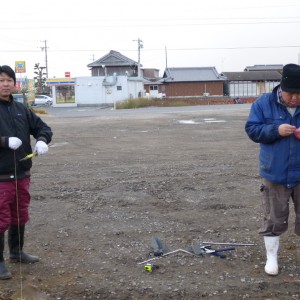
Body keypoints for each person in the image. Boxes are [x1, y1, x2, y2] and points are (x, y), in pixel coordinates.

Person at [245, 63, 300, 276]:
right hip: (274, 172)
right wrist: (275, 130)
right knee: (273, 218)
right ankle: (272, 258)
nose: (294, 98)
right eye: (290, 93)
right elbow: (252, 129)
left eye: (299, 93)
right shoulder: (263, 104)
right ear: (281, 87)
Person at [0, 65, 53, 279]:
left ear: (15, 84)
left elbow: (44, 128)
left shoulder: (22, 109)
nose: (5, 84)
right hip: (1, 177)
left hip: (21, 174)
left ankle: (16, 252)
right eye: (1, 80)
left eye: (8, 80)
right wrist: (3, 141)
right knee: (0, 219)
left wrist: (41, 140)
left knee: (20, 214)